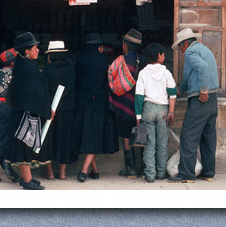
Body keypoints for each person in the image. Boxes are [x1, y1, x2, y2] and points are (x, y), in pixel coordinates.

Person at [168, 28, 219, 183]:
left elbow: (202, 69)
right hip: (212, 99)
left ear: (185, 43)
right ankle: (209, 172)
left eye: (181, 47)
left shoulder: (191, 52)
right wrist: (179, 90)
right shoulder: (204, 49)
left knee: (189, 136)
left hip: (200, 99)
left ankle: (186, 173)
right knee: (208, 137)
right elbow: (192, 77)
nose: (181, 52)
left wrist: (203, 90)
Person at [5, 32, 55, 190]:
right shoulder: (29, 68)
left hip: (21, 110)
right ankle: (27, 180)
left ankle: (25, 177)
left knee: (22, 144)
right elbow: (37, 93)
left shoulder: (21, 65)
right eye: (35, 48)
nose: (38, 50)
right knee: (25, 145)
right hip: (26, 112)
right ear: (27, 51)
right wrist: (47, 111)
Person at [74, 33, 118, 183]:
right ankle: (84, 170)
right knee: (94, 134)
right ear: (100, 47)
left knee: (88, 134)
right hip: (99, 102)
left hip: (81, 101)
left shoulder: (79, 60)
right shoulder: (105, 61)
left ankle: (95, 170)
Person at [135, 43, 177, 183]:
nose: (164, 56)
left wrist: (138, 117)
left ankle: (150, 175)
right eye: (163, 54)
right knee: (162, 143)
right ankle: (160, 173)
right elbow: (172, 93)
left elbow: (139, 96)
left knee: (149, 144)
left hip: (148, 109)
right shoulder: (166, 73)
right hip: (163, 110)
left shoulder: (143, 73)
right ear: (159, 56)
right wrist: (171, 112)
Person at [108, 28, 146, 179]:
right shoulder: (144, 61)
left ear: (125, 45)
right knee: (142, 134)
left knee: (125, 135)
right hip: (139, 104)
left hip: (124, 105)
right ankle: (143, 169)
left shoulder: (119, 61)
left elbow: (112, 82)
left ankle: (130, 170)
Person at [41, 41, 77, 180]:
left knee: (48, 139)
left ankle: (49, 173)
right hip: (68, 109)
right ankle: (62, 172)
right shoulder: (71, 69)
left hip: (50, 111)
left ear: (51, 56)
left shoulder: (48, 70)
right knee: (65, 140)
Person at [0, 48, 21, 184]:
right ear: (13, 63)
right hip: (6, 107)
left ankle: (7, 171)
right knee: (2, 142)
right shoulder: (16, 73)